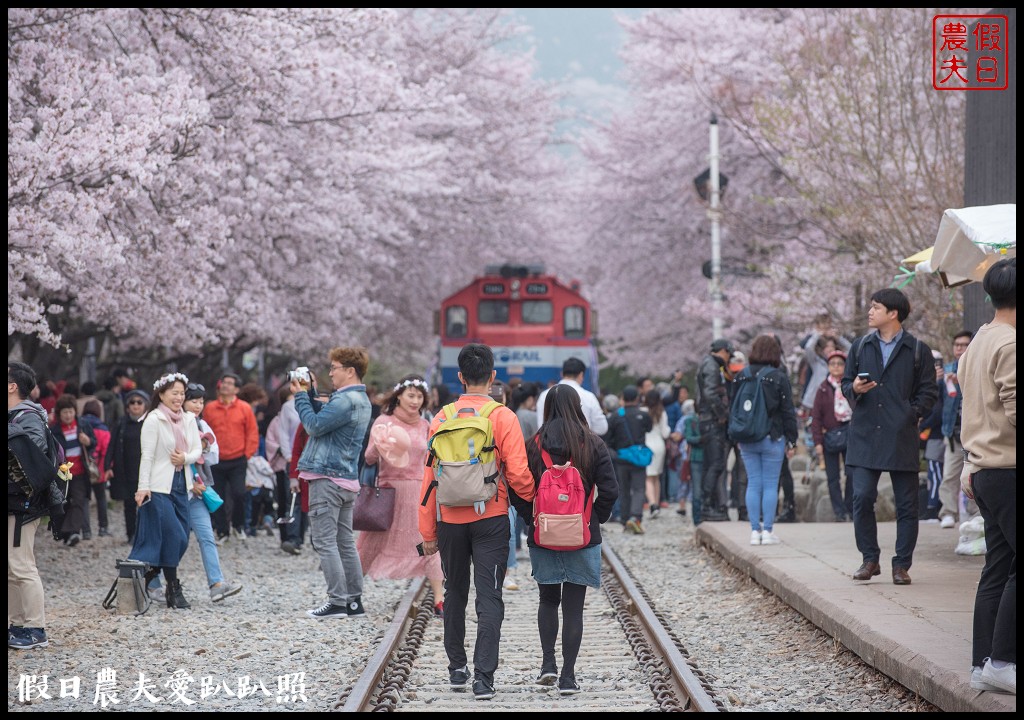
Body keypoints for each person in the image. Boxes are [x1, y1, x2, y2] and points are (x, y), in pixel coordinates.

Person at [418, 343, 535, 701]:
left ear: (460, 377)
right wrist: (531, 503)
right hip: (492, 518)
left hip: (450, 519)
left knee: (454, 592)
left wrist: (427, 532)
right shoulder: (503, 417)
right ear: (493, 377)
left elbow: (429, 480)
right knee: (490, 596)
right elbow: (517, 473)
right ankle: (484, 678)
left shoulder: (441, 417)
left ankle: (456, 668)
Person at [511, 384, 619, 696]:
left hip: (542, 534)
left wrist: (531, 518)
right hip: (582, 535)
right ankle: (568, 677)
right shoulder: (592, 443)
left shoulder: (535, 443)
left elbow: (518, 486)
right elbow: (611, 490)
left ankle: (548, 664)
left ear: (547, 408)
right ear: (578, 407)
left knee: (547, 599)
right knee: (574, 606)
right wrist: (594, 516)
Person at [843, 287, 937, 585]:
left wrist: (911, 413)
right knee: (861, 497)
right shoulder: (860, 346)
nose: (870, 312)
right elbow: (846, 382)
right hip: (865, 434)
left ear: (893, 313)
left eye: (875, 307)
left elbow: (929, 392)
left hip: (901, 435)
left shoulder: (917, 349)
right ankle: (870, 559)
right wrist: (854, 389)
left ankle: (901, 565)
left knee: (907, 504)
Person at [958, 257, 1015, 695]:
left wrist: (969, 464)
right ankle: (1003, 660)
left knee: (997, 566)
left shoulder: (978, 341)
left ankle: (983, 662)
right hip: (1009, 469)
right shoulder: (1010, 344)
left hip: (984, 471)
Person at [293, 347, 373, 620]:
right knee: (344, 542)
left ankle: (337, 602)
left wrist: (301, 396)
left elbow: (314, 426)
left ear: (350, 370)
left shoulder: (345, 400)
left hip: (327, 479)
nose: (330, 372)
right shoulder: (359, 400)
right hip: (346, 479)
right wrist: (313, 394)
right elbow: (327, 422)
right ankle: (353, 602)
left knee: (325, 542)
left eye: (334, 367)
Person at [356, 375, 444, 615]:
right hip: (389, 492)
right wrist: (379, 444)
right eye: (411, 395)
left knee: (428, 543)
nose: (415, 401)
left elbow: (432, 458)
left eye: (419, 397)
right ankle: (352, 594)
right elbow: (369, 458)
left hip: (419, 491)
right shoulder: (384, 421)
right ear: (399, 396)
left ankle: (439, 599)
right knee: (370, 545)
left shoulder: (426, 425)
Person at [130, 373, 202, 609]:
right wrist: (143, 487)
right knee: (175, 535)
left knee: (183, 537)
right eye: (174, 393)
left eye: (182, 393)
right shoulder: (154, 419)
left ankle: (151, 576)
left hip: (182, 482)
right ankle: (173, 588)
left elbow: (196, 450)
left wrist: (185, 457)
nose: (179, 398)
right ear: (161, 394)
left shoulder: (189, 419)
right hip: (159, 486)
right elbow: (147, 456)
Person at [734, 336, 799, 545]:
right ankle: (768, 531)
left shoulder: (741, 375)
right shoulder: (778, 377)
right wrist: (792, 439)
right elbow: (788, 410)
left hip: (746, 436)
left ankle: (754, 531)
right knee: (771, 484)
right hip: (773, 436)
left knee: (754, 482)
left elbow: (733, 407)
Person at [183, 383, 243, 602]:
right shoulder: (172, 424)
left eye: (200, 401)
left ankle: (216, 584)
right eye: (193, 401)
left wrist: (203, 448)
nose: (198, 406)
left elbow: (213, 455)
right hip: (177, 491)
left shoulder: (202, 423)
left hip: (199, 489)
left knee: (207, 537)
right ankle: (154, 582)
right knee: (175, 541)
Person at [8, 361, 54, 649]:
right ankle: (16, 624)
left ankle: (36, 628)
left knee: (22, 565)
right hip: (13, 501)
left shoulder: (28, 417)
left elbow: (32, 460)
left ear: (12, 386)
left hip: (23, 503)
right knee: (12, 566)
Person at [202, 372, 259, 542]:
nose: (225, 385)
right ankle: (222, 531)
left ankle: (238, 525)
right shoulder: (210, 407)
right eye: (223, 382)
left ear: (236, 389)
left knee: (239, 493)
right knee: (217, 496)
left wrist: (247, 454)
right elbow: (204, 431)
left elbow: (252, 432)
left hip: (238, 459)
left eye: (229, 383)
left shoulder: (244, 408)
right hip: (216, 459)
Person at [938, 330, 976, 529]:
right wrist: (936, 380)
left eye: (964, 345)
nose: (960, 348)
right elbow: (935, 399)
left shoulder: (977, 368)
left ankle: (974, 512)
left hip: (974, 433)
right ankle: (948, 512)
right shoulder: (946, 371)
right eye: (957, 345)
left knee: (973, 474)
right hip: (952, 432)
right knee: (949, 474)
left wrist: (960, 382)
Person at [810, 350, 854, 522]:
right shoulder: (822, 388)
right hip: (829, 435)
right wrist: (817, 442)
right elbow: (816, 417)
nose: (836, 367)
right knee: (832, 477)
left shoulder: (851, 385)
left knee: (851, 473)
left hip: (850, 433)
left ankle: (850, 507)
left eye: (840, 363)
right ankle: (839, 511)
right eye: (832, 364)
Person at [604, 385, 653, 534]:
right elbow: (649, 428)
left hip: (621, 458)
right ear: (638, 398)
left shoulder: (615, 416)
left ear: (623, 399)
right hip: (638, 458)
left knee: (623, 489)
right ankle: (635, 517)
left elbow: (607, 437)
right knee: (638, 488)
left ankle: (625, 520)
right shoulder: (643, 415)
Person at [50, 394, 96, 546]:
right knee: (64, 503)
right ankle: (66, 533)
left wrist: (87, 441)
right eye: (65, 412)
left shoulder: (83, 425)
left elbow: (93, 442)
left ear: (75, 411)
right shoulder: (54, 430)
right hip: (62, 473)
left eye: (70, 411)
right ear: (59, 414)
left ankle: (74, 532)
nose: (68, 415)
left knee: (79, 501)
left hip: (80, 471)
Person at [695, 338, 734, 521]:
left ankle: (707, 505)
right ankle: (707, 505)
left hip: (705, 420)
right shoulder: (711, 366)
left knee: (710, 464)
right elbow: (710, 393)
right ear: (724, 351)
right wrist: (722, 413)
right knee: (716, 463)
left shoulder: (706, 364)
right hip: (712, 421)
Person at [106, 388, 150, 543]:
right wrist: (107, 466)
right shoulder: (121, 423)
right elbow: (111, 445)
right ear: (127, 406)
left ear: (146, 405)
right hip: (125, 470)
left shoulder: (150, 422)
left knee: (146, 505)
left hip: (145, 472)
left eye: (139, 402)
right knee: (129, 505)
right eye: (132, 402)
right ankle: (131, 534)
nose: (136, 405)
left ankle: (145, 534)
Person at [535, 357, 608, 435]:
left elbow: (541, 426)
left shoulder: (544, 395)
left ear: (562, 373)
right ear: (581, 375)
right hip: (581, 445)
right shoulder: (589, 397)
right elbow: (601, 428)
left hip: (549, 444)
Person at [81, 399, 111, 538]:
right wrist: (105, 469)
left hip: (82, 467)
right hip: (98, 468)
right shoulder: (103, 429)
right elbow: (106, 451)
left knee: (84, 499)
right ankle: (103, 528)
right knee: (101, 498)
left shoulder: (79, 425)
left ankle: (86, 531)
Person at [642, 389, 670, 519]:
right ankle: (657, 504)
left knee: (648, 476)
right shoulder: (662, 412)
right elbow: (665, 433)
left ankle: (652, 504)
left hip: (647, 445)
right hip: (659, 445)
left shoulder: (642, 411)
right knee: (656, 477)